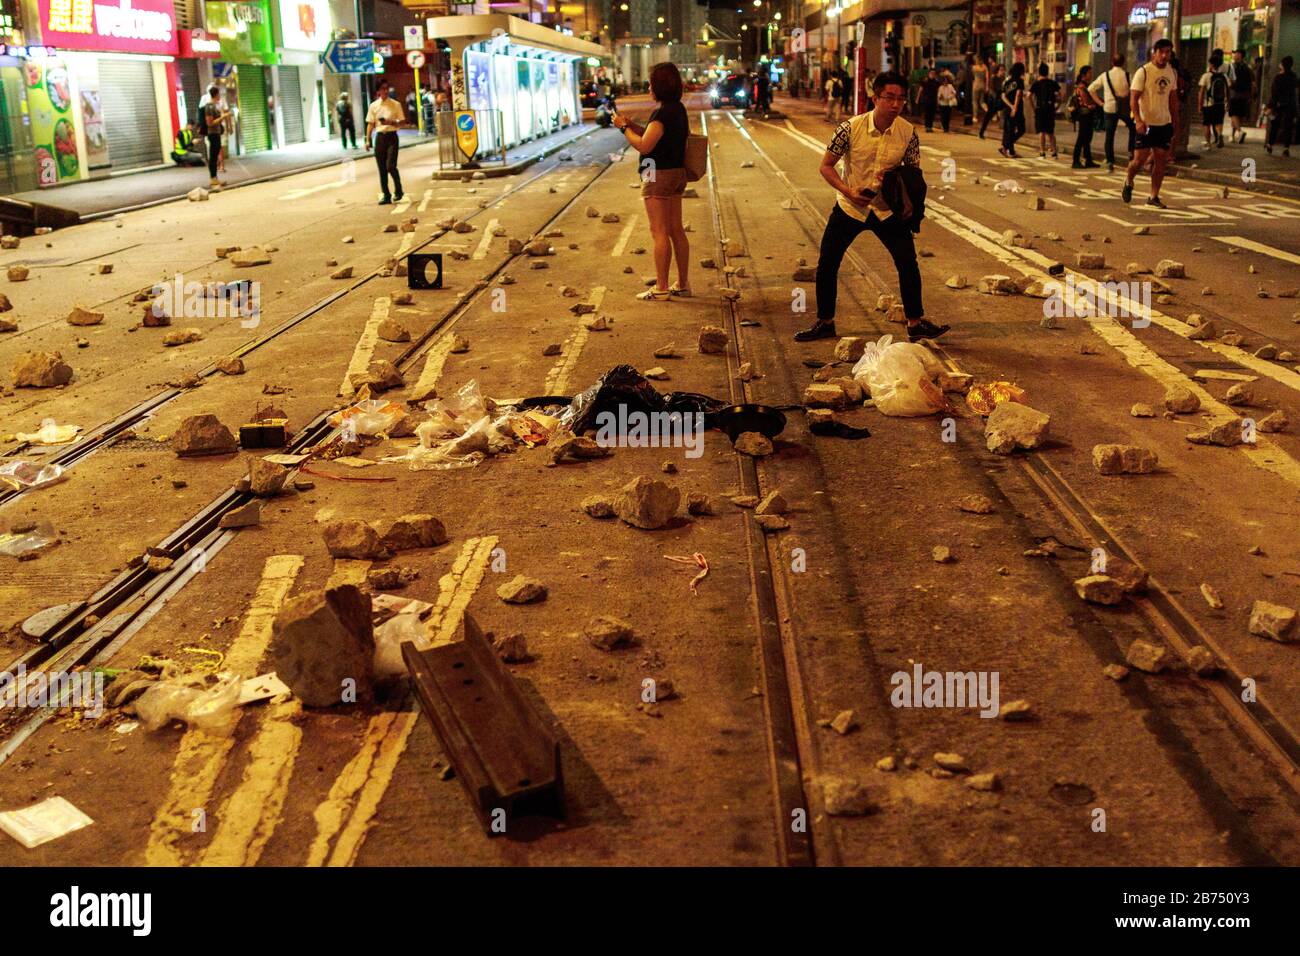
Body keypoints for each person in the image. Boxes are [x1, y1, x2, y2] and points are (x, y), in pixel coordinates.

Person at [796, 70, 947, 344]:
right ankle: (825, 321)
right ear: (875, 98)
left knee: (907, 263)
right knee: (828, 263)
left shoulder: (908, 133)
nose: (895, 104)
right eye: (889, 97)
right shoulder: (848, 129)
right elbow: (826, 166)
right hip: (850, 207)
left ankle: (915, 322)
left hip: (887, 210)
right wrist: (848, 191)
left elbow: (913, 173)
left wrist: (896, 179)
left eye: (901, 99)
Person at [612, 62, 691, 301]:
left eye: (651, 83)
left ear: (659, 86)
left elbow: (645, 145)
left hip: (656, 174)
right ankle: (683, 284)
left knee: (659, 232)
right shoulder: (677, 109)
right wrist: (633, 125)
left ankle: (661, 287)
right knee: (676, 230)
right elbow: (654, 135)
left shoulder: (661, 113)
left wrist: (623, 127)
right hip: (676, 173)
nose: (649, 87)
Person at [1123, 38, 1179, 209]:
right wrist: (1138, 120)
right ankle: (1129, 180)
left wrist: (1175, 122)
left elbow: (1173, 100)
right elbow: (1133, 99)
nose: (1164, 55)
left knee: (1161, 160)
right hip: (1146, 125)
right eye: (1161, 52)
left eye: (1168, 52)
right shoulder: (1144, 72)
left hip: (1164, 124)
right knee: (1139, 160)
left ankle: (1153, 196)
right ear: (1154, 53)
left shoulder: (1171, 72)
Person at [1088, 53, 1133, 172]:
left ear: (1112, 62)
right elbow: (1133, 91)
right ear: (1123, 62)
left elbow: (1091, 89)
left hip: (1109, 108)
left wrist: (1100, 103)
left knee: (1109, 135)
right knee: (1133, 128)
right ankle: (1131, 152)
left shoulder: (1105, 75)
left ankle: (1109, 160)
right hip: (1124, 109)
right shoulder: (1128, 76)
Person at [365, 80, 407, 205]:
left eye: (387, 88)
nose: (385, 91)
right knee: (382, 168)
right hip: (380, 137)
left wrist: (392, 123)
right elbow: (370, 124)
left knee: (390, 166)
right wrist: (368, 140)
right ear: (378, 91)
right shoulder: (373, 106)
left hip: (392, 137)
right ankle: (386, 195)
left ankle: (398, 190)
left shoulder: (396, 104)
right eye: (383, 88)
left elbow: (403, 122)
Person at [1265, 56, 1298, 156]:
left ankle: (1270, 144)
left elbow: (1274, 93)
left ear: (1282, 65)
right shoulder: (1294, 76)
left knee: (1275, 125)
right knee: (1288, 127)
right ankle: (1286, 148)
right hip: (1290, 105)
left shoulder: (1278, 77)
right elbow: (1294, 92)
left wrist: (1270, 106)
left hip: (1279, 105)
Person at [1198, 51, 1229, 149]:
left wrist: (1199, 105)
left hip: (1209, 104)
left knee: (1206, 124)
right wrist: (1228, 102)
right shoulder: (1224, 76)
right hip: (1220, 104)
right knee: (1218, 122)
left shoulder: (1206, 76)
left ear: (1211, 64)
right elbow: (1227, 90)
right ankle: (1219, 135)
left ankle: (1208, 143)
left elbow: (1201, 92)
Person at [1069, 65, 1099, 168]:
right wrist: (1095, 104)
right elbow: (1086, 102)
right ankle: (1076, 161)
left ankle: (1088, 160)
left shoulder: (1085, 86)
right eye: (1089, 73)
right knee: (1082, 138)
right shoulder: (1082, 87)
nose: (1091, 75)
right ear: (1083, 75)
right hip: (1084, 115)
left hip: (1086, 115)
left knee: (1086, 138)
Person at [200, 86, 229, 188]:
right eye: (219, 94)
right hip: (212, 134)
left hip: (216, 134)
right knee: (213, 157)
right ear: (216, 94)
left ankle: (215, 179)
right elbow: (210, 123)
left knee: (215, 156)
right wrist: (223, 117)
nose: (220, 96)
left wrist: (221, 115)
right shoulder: (209, 107)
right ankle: (213, 179)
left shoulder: (215, 106)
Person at [1029, 63, 1059, 158]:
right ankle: (1054, 152)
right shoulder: (1052, 83)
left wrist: (1033, 107)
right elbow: (1061, 95)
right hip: (1050, 109)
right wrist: (1057, 106)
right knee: (1050, 131)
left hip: (1040, 109)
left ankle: (1042, 152)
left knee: (1041, 131)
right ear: (1047, 72)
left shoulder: (1036, 83)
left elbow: (1029, 96)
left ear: (1039, 72)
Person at [999, 62, 1026, 158]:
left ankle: (1008, 149)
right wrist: (1014, 107)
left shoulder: (1007, 81)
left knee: (1009, 130)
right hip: (1017, 108)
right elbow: (1018, 94)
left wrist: (1010, 106)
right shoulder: (1020, 81)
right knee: (1022, 129)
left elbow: (1003, 96)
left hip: (1007, 108)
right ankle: (1007, 148)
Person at [1227, 49, 1253, 143]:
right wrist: (1250, 96)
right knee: (1238, 115)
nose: (1234, 55)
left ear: (1240, 55)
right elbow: (1251, 83)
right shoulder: (1248, 67)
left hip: (1234, 93)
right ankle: (1232, 135)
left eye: (1236, 54)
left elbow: (1230, 81)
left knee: (1233, 114)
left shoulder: (1232, 67)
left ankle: (1240, 131)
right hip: (1244, 95)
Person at [980, 63, 1004, 138]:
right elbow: (991, 89)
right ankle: (981, 132)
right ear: (997, 70)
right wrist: (996, 96)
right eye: (1001, 70)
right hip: (993, 101)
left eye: (1003, 70)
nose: (1002, 71)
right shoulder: (994, 77)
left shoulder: (1003, 79)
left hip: (1000, 100)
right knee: (988, 117)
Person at [971, 56, 988, 125]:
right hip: (982, 85)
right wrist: (986, 86)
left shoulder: (974, 67)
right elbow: (987, 77)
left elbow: (972, 75)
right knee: (982, 101)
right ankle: (988, 110)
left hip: (976, 85)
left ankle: (975, 116)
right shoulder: (985, 67)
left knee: (975, 101)